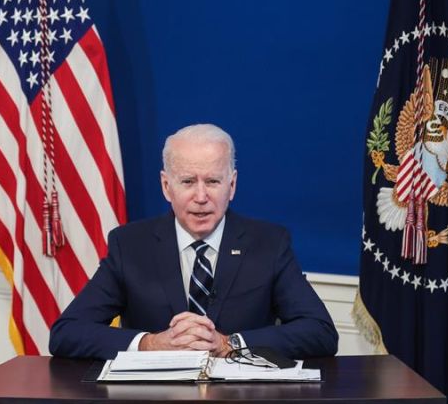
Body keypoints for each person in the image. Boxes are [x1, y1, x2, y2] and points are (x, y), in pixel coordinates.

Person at [49, 124, 338, 360]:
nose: (201, 197)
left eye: (212, 181)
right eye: (188, 182)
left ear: (232, 185)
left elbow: (320, 332)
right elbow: (66, 332)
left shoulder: (269, 243)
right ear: (166, 186)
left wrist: (229, 343)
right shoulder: (130, 245)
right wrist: (151, 344)